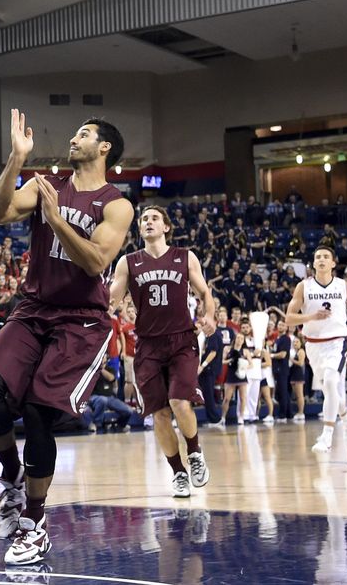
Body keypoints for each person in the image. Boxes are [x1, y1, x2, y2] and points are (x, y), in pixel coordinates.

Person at [0, 111, 133, 566]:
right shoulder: (46, 183)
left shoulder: (116, 204)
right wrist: (15, 160)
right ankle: (12, 476)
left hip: (82, 320)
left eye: (84, 133)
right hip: (34, 308)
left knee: (41, 415)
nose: (73, 137)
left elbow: (96, 261)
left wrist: (57, 220)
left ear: (104, 147)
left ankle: (34, 524)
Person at [109, 206, 216, 499]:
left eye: (154, 218)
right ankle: (178, 472)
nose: (148, 222)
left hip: (181, 340)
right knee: (159, 414)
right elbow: (113, 298)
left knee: (180, 401)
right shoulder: (128, 262)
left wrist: (209, 317)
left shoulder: (185, 257)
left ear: (166, 227)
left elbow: (205, 294)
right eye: (144, 220)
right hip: (148, 344)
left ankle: (194, 452)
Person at [285, 246, 347, 453]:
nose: (321, 259)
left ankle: (327, 436)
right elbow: (289, 318)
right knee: (329, 389)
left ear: (333, 263)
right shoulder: (303, 287)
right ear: (313, 264)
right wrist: (311, 317)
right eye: (318, 257)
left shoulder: (345, 286)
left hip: (337, 341)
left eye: (326, 257)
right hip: (313, 344)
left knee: (332, 382)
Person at [219, 332, 249, 427]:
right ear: (235, 339)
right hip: (231, 375)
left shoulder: (245, 351)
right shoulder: (227, 349)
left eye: (241, 338)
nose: (239, 340)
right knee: (227, 398)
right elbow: (222, 361)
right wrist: (230, 360)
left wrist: (243, 364)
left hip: (241, 376)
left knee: (243, 398)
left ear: (243, 341)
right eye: (238, 338)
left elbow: (251, 363)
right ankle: (223, 417)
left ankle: (241, 417)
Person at [289, 335, 306, 422]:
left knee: (300, 395)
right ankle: (299, 411)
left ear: (300, 343)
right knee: (296, 394)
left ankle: (301, 412)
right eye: (294, 342)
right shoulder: (293, 352)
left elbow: (300, 363)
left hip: (298, 374)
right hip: (293, 373)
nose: (295, 343)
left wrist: (292, 360)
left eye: (297, 342)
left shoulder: (301, 351)